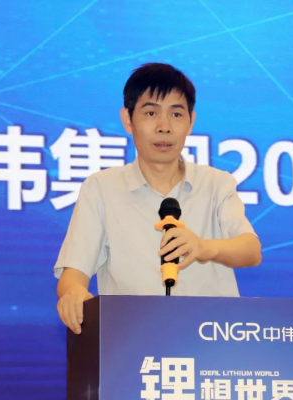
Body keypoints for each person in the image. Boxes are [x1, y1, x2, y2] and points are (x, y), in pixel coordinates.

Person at [54, 63, 262, 334]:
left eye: (176, 114)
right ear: (128, 120)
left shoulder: (216, 184)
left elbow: (251, 250)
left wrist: (203, 247)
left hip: (214, 341)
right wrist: (73, 293)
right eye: (151, 113)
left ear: (191, 121)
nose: (164, 127)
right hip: (133, 340)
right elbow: (74, 273)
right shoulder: (101, 188)